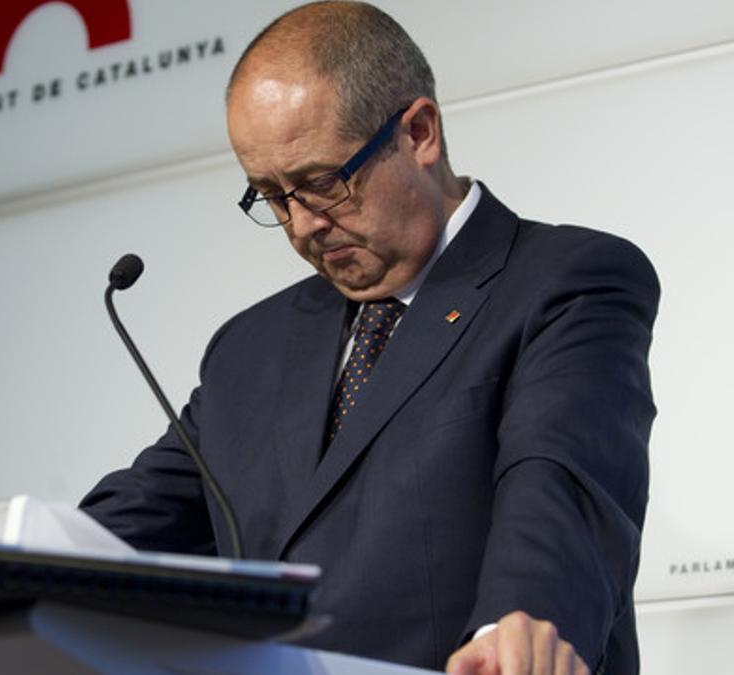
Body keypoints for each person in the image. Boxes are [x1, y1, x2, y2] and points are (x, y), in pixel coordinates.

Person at [80, 2, 658, 673]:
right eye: (270, 195)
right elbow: (130, 523)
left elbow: (559, 480)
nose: (300, 226)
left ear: (418, 132)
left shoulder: (565, 281)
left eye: (322, 183)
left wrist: (519, 624)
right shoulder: (249, 346)